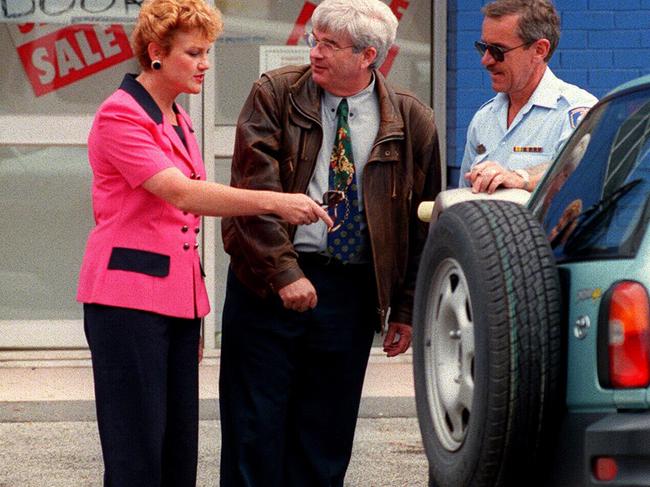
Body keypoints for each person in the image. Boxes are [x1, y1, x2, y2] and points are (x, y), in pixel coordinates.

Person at [77, 1, 330, 485]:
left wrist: (193, 312)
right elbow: (179, 192)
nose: (205, 63)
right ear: (156, 53)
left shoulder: (177, 117)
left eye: (207, 52)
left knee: (177, 456)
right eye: (193, 53)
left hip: (176, 302)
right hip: (126, 301)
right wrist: (274, 202)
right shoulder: (120, 114)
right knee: (137, 456)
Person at [218, 1, 441, 485]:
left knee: (324, 439)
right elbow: (254, 193)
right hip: (266, 285)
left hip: (351, 293)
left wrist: (404, 308)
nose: (314, 52)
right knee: (253, 436)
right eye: (314, 40)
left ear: (368, 56)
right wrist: (285, 274)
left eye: (329, 45)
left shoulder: (411, 121)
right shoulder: (275, 94)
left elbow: (420, 223)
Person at [459, 0, 598, 194]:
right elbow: (465, 197)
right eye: (484, 47)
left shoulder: (576, 111)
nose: (486, 60)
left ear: (539, 50)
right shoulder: (483, 119)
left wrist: (520, 178)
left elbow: (581, 173)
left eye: (498, 51)